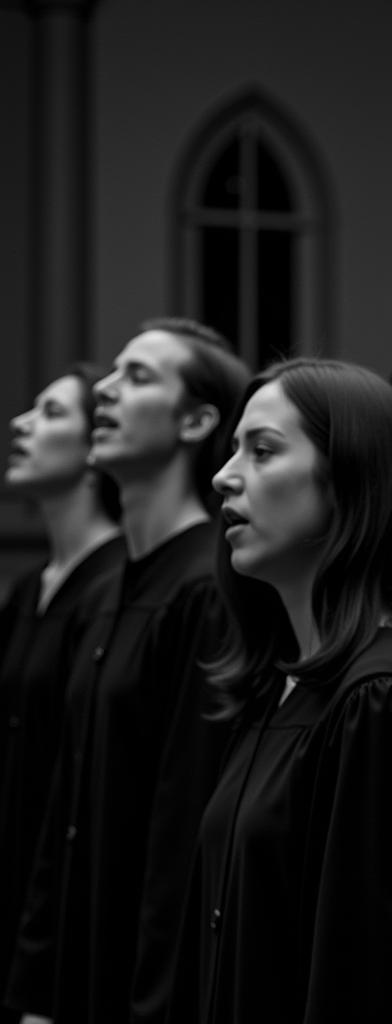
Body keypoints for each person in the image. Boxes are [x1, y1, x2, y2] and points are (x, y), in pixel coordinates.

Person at [165, 358, 392, 1024]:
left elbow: (373, 974)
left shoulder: (384, 695)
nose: (222, 476)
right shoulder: (281, 685)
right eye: (233, 449)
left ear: (349, 481)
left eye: (262, 451)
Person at [4, 318, 249, 1024]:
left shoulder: (209, 587)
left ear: (196, 420)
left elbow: (181, 836)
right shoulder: (108, 590)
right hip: (75, 974)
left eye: (137, 377)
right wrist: (36, 987)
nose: (107, 390)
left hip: (142, 985)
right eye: (111, 374)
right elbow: (66, 806)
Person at [0, 367, 124, 1024]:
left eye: (50, 414)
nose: (21, 425)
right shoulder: (26, 592)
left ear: (91, 449)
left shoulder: (114, 588)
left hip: (66, 909)